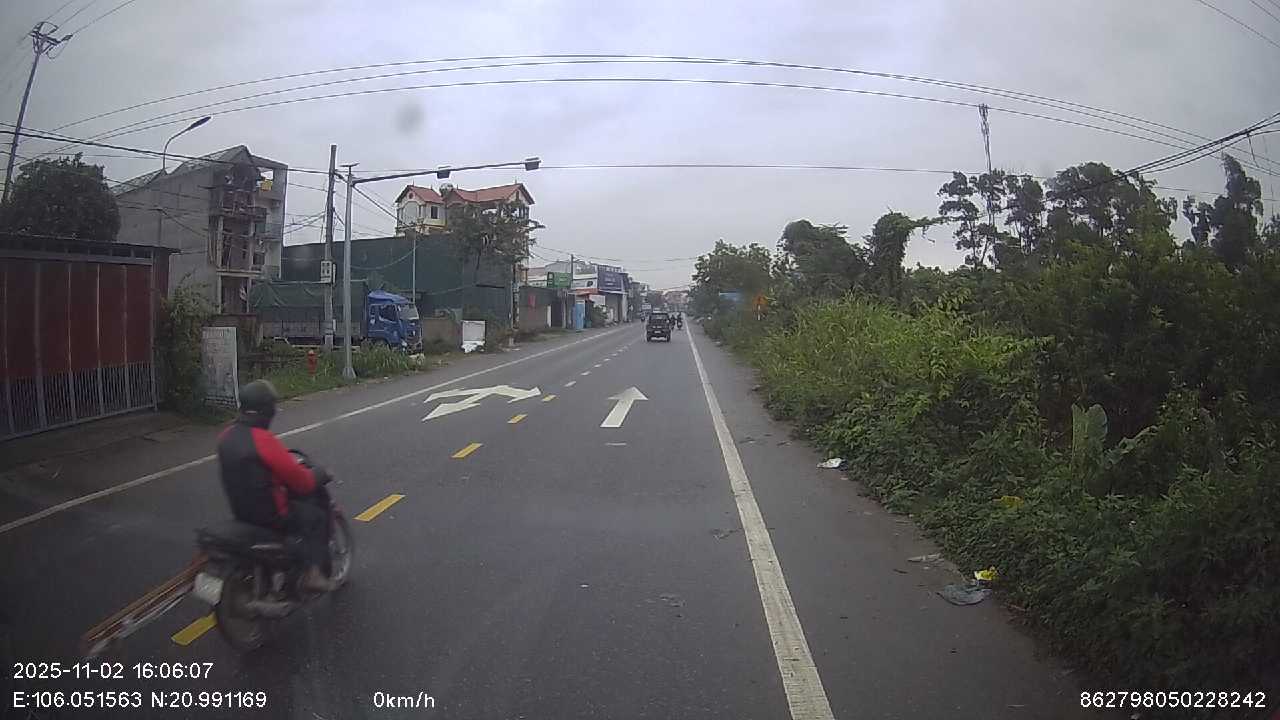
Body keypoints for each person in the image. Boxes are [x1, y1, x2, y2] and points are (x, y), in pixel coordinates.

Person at [216, 380, 334, 593]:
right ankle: (313, 574)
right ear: (267, 410)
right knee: (316, 517)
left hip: (241, 512)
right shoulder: (263, 441)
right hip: (271, 515)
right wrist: (321, 474)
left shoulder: (226, 436)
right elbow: (303, 483)